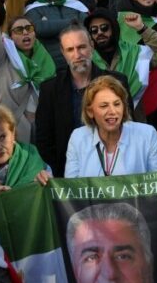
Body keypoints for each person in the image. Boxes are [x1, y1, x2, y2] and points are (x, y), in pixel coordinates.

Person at [35, 25, 130, 176]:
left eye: (81, 47)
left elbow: (128, 124)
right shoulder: (50, 90)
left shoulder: (118, 81)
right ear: (62, 52)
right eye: (70, 50)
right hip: (69, 173)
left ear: (92, 46)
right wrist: (61, 173)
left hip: (118, 169)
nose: (77, 55)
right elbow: (44, 139)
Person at [0, 0, 55, 143]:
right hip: (11, 130)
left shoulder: (45, 58)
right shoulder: (2, 56)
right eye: (19, 30)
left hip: (44, 127)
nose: (25, 33)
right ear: (10, 37)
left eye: (29, 29)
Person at [65, 76, 157, 177]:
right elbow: (70, 187)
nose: (113, 111)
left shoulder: (147, 135)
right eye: (104, 106)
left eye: (117, 104)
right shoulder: (78, 138)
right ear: (90, 111)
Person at [23, 0, 88, 71]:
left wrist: (52, 25)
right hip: (51, 68)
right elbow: (39, 28)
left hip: (80, 64)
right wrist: (72, 22)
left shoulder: (77, 5)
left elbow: (86, 26)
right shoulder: (33, 9)